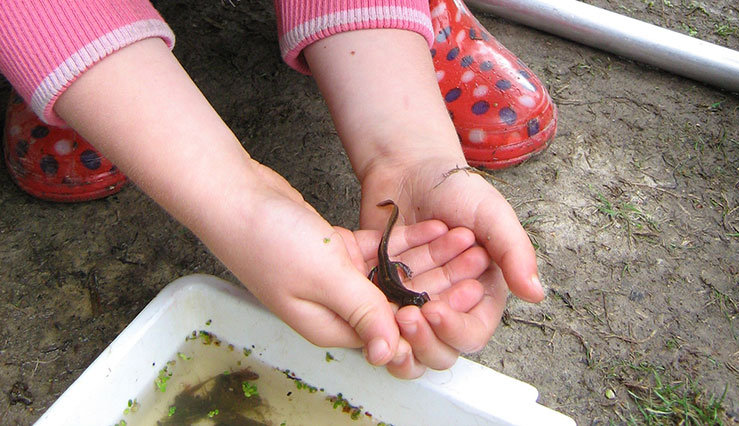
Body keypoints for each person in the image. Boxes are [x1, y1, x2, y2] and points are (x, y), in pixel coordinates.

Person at [0, 0, 556, 379]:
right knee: (70, 55)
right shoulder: (398, 276)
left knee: (387, 66)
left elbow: (394, 266)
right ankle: (86, 69)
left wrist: (409, 150)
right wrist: (236, 200)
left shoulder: (397, 276)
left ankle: (399, 28)